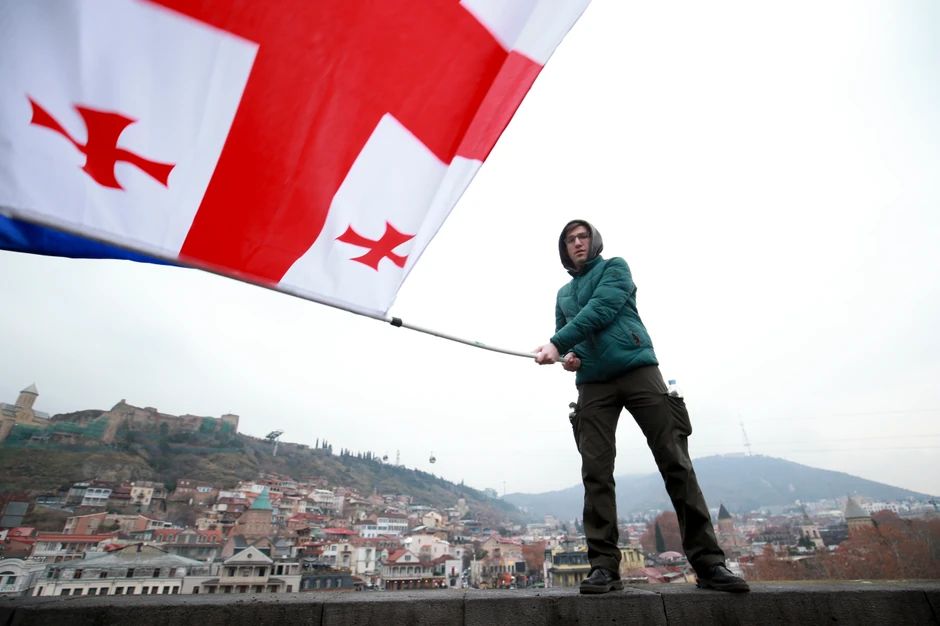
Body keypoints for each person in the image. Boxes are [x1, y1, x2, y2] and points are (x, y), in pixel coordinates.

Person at [533, 219, 749, 594]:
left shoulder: (615, 268)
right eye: (570, 240)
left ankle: (710, 563)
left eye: (583, 236)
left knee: (675, 461)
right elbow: (570, 339)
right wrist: (568, 356)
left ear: (594, 241)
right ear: (563, 249)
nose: (577, 243)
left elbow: (602, 309)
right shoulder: (563, 294)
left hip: (638, 369)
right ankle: (604, 568)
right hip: (593, 384)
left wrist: (557, 342)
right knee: (595, 472)